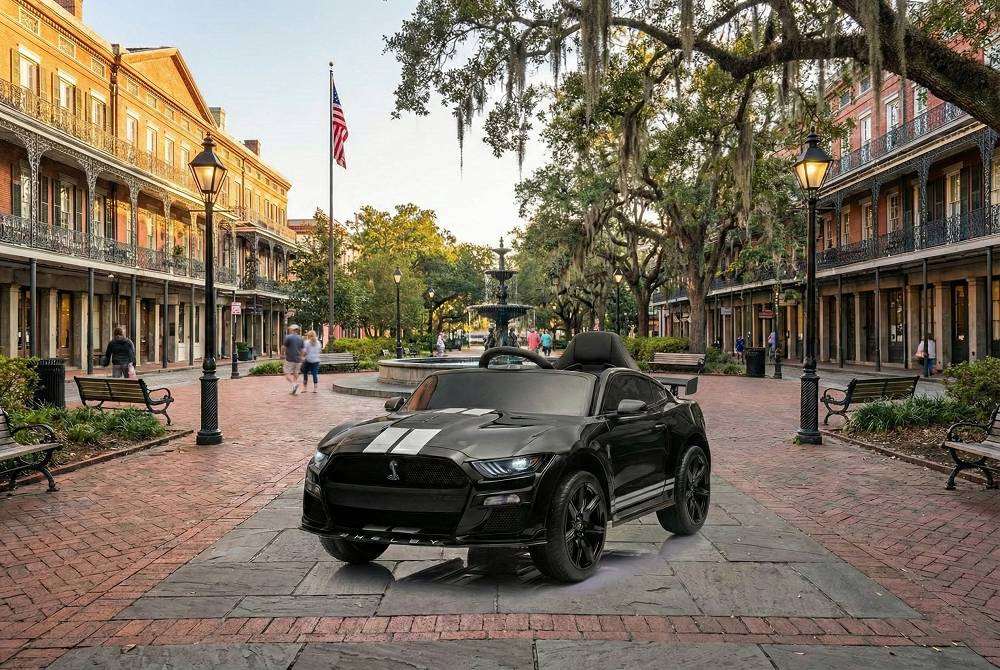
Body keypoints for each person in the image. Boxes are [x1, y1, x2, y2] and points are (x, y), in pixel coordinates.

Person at [282, 324, 305, 394]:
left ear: (292, 330)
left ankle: (294, 384)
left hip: (289, 359)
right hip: (298, 359)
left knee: (287, 374)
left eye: (290, 329)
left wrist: (282, 354)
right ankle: (294, 386)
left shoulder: (288, 337)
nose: (289, 330)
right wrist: (301, 357)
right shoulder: (301, 338)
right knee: (296, 373)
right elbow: (302, 350)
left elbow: (284, 347)